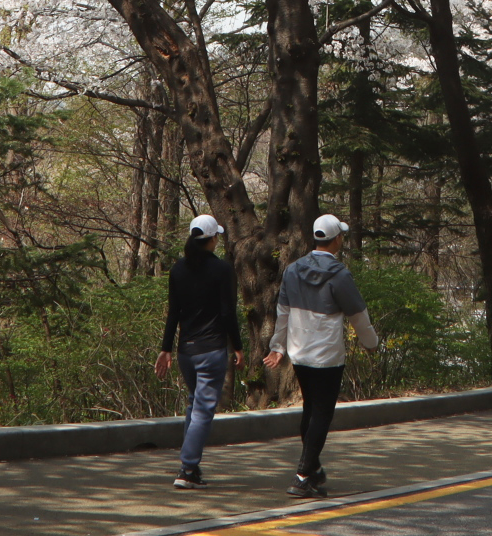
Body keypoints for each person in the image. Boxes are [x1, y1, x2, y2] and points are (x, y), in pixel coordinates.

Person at [264, 213, 381, 500]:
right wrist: (370, 343)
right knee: (321, 413)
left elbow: (282, 313)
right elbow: (358, 315)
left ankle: (313, 469)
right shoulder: (339, 275)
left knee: (311, 410)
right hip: (327, 355)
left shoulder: (293, 270)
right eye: (342, 235)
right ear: (337, 239)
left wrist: (278, 347)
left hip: (299, 352)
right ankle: (303, 476)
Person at [155, 213, 243, 490]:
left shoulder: (178, 270)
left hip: (186, 352)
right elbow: (228, 312)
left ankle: (191, 469)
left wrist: (166, 349)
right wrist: (238, 346)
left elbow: (174, 313)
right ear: (213, 239)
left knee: (194, 405)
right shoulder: (223, 270)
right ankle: (187, 468)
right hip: (212, 350)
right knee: (203, 410)